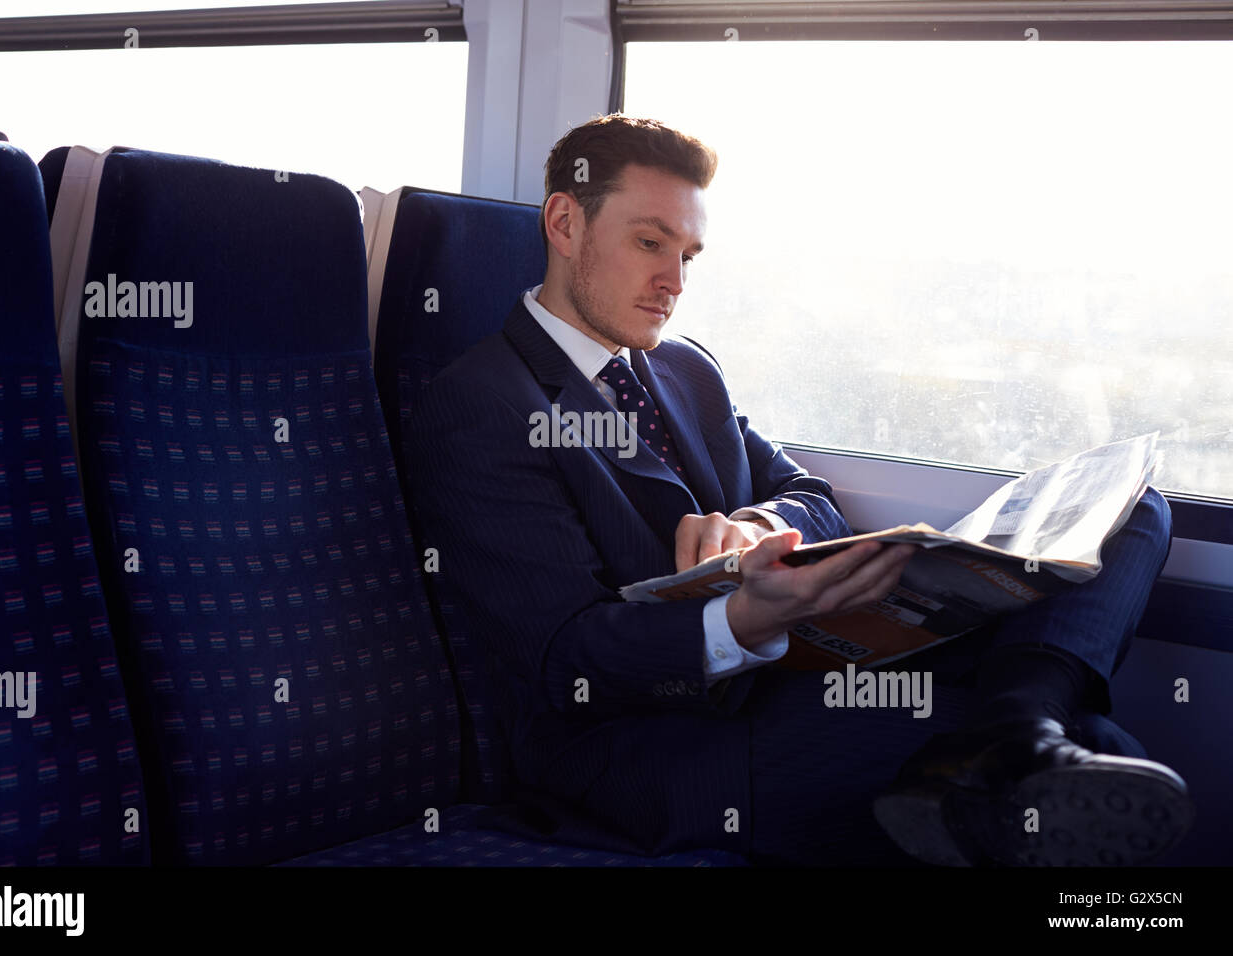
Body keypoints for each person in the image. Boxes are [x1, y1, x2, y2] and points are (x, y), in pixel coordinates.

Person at [404, 113, 1194, 866]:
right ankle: (1023, 725)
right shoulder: (483, 405)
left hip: (790, 676)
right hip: (656, 740)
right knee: (1096, 752)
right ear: (566, 223)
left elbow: (808, 491)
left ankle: (1018, 719)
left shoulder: (686, 369)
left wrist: (756, 521)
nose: (673, 280)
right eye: (651, 243)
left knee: (1135, 510)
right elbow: (565, 657)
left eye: (689, 255)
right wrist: (739, 620)